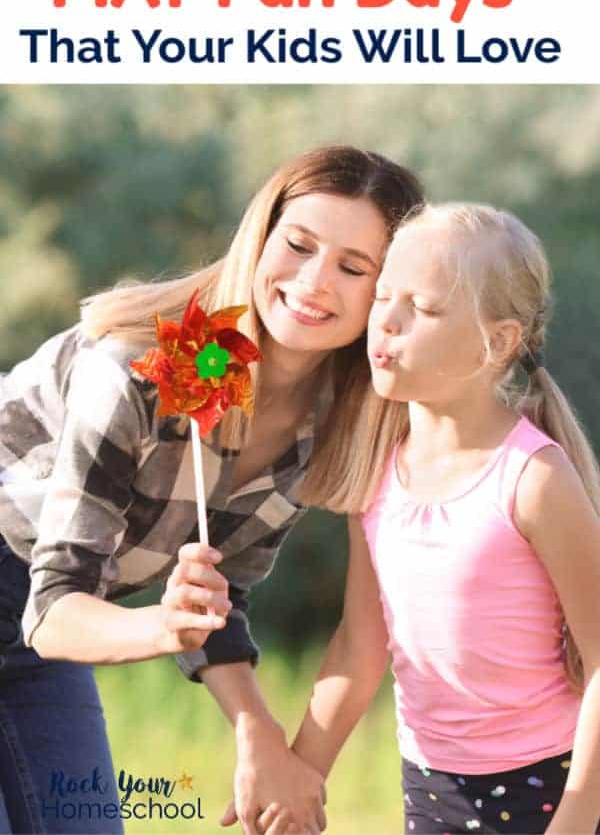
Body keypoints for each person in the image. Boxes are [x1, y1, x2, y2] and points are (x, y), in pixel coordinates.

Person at [0, 145, 423, 834]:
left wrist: (257, 730)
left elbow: (215, 596)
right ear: (260, 237)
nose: (316, 282)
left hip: (42, 626)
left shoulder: (330, 426)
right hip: (48, 603)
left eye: (353, 268)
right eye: (299, 245)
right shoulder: (133, 373)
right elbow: (53, 610)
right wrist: (162, 626)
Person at [285, 203, 600, 835]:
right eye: (381, 297)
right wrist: (296, 776)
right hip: (428, 788)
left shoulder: (533, 479)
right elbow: (360, 644)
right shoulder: (375, 473)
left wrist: (577, 819)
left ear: (500, 341)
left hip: (550, 788)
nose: (386, 324)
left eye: (423, 310)